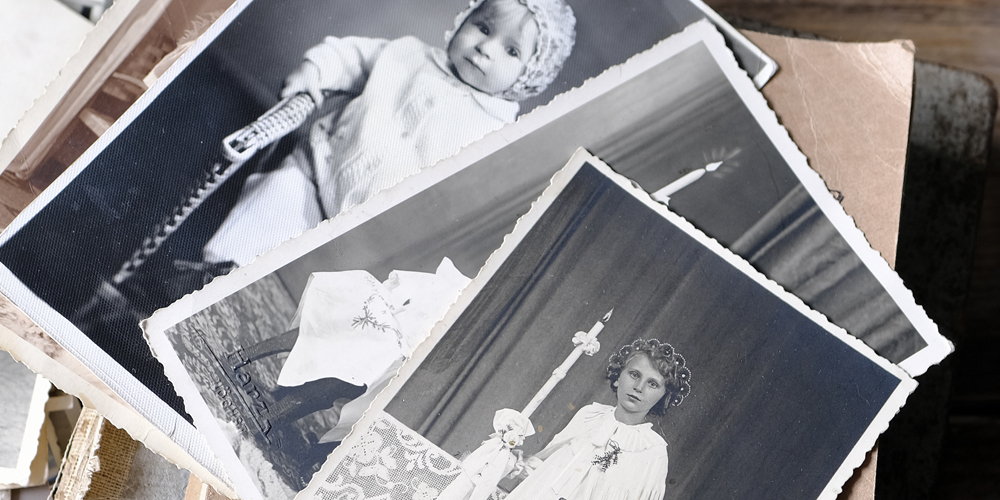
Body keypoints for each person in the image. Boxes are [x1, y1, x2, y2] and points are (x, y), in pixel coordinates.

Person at [203, 0, 576, 266]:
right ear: (465, 18)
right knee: (272, 202)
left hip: (364, 243)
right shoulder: (408, 54)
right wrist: (314, 72)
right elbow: (350, 56)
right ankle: (217, 272)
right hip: (315, 177)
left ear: (529, 76)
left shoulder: (498, 138)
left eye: (511, 51)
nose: (485, 48)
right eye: (483, 27)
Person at [230, 257, 472, 444]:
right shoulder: (457, 287)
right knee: (339, 341)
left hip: (396, 345)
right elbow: (401, 283)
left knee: (355, 371)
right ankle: (263, 389)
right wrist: (394, 302)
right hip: (388, 327)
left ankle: (275, 406)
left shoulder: (466, 313)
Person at [505, 338, 692, 500]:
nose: (639, 387)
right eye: (634, 375)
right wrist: (508, 458)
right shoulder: (589, 415)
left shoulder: (652, 451)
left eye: (652, 384)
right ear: (619, 376)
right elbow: (545, 469)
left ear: (663, 396)